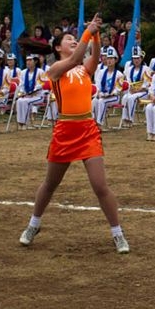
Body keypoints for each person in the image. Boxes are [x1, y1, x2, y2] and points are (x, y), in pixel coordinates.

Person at [19, 14, 130, 253]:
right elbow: (78, 56)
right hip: (64, 131)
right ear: (58, 47)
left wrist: (97, 34)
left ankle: (118, 233)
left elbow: (94, 56)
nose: (72, 41)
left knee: (100, 186)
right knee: (50, 183)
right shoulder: (56, 68)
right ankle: (33, 224)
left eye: (73, 39)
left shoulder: (83, 69)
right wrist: (87, 33)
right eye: (68, 39)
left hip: (88, 130)